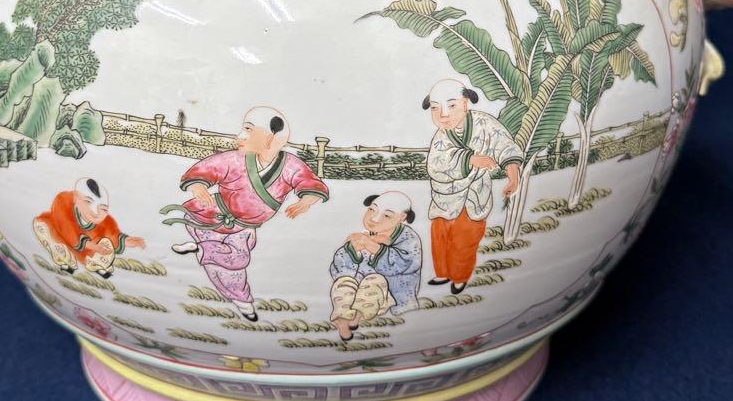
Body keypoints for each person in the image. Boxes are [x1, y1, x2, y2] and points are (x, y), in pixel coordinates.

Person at [160, 106, 329, 321]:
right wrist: (198, 186)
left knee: (235, 262)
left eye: (248, 130)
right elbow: (208, 169)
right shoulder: (234, 159)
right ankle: (242, 300)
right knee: (219, 266)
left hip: (243, 228)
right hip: (210, 216)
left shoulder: (290, 166)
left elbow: (308, 181)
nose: (240, 136)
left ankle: (232, 287)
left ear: (272, 136)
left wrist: (308, 199)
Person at [424, 78, 522, 294]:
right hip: (444, 199)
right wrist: (470, 160)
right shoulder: (441, 137)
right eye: (435, 108)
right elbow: (435, 166)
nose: (443, 114)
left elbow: (504, 145)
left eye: (451, 105)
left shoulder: (485, 124)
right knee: (440, 238)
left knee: (465, 239)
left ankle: (459, 277)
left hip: (475, 196)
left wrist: (513, 174)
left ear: (465, 103)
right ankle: (442, 273)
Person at [329, 191, 422, 342]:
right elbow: (338, 268)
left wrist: (374, 247)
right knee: (343, 283)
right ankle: (343, 320)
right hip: (357, 291)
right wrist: (352, 250)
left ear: (402, 217)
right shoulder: (366, 234)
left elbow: (404, 264)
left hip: (389, 295)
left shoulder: (408, 238)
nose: (374, 218)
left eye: (387, 215)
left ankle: (356, 317)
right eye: (372, 209)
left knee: (374, 280)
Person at [33, 177, 145, 279]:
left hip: (86, 250)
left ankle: (98, 266)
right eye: (88, 202)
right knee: (43, 227)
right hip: (59, 236)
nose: (96, 212)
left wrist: (125, 241)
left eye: (103, 209)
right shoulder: (64, 202)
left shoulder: (104, 221)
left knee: (107, 246)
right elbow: (66, 228)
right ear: (76, 198)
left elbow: (112, 233)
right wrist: (92, 246)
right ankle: (66, 261)